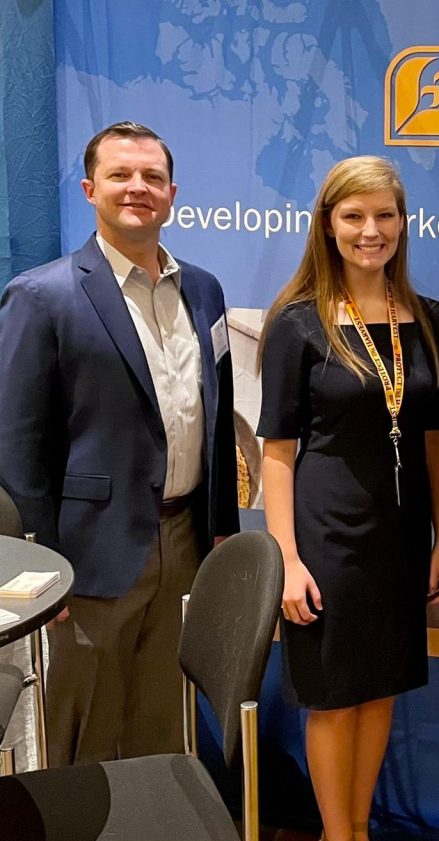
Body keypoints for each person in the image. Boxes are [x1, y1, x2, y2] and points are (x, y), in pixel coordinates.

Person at [0, 121, 239, 765]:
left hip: (186, 543)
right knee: (84, 733)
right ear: (89, 188)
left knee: (163, 727)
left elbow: (215, 414)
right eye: (120, 175)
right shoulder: (40, 297)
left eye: (152, 177)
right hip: (88, 557)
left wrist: (219, 526)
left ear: (172, 192)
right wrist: (42, 573)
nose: (138, 188)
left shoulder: (206, 289)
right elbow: (17, 449)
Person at [258, 155, 439, 841]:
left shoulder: (428, 318)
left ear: (403, 222)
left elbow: (435, 440)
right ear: (328, 225)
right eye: (354, 216)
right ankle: (334, 834)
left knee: (379, 691)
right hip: (326, 540)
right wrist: (286, 557)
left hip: (400, 543)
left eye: (384, 215)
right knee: (335, 698)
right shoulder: (298, 322)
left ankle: (361, 828)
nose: (371, 230)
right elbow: (277, 453)